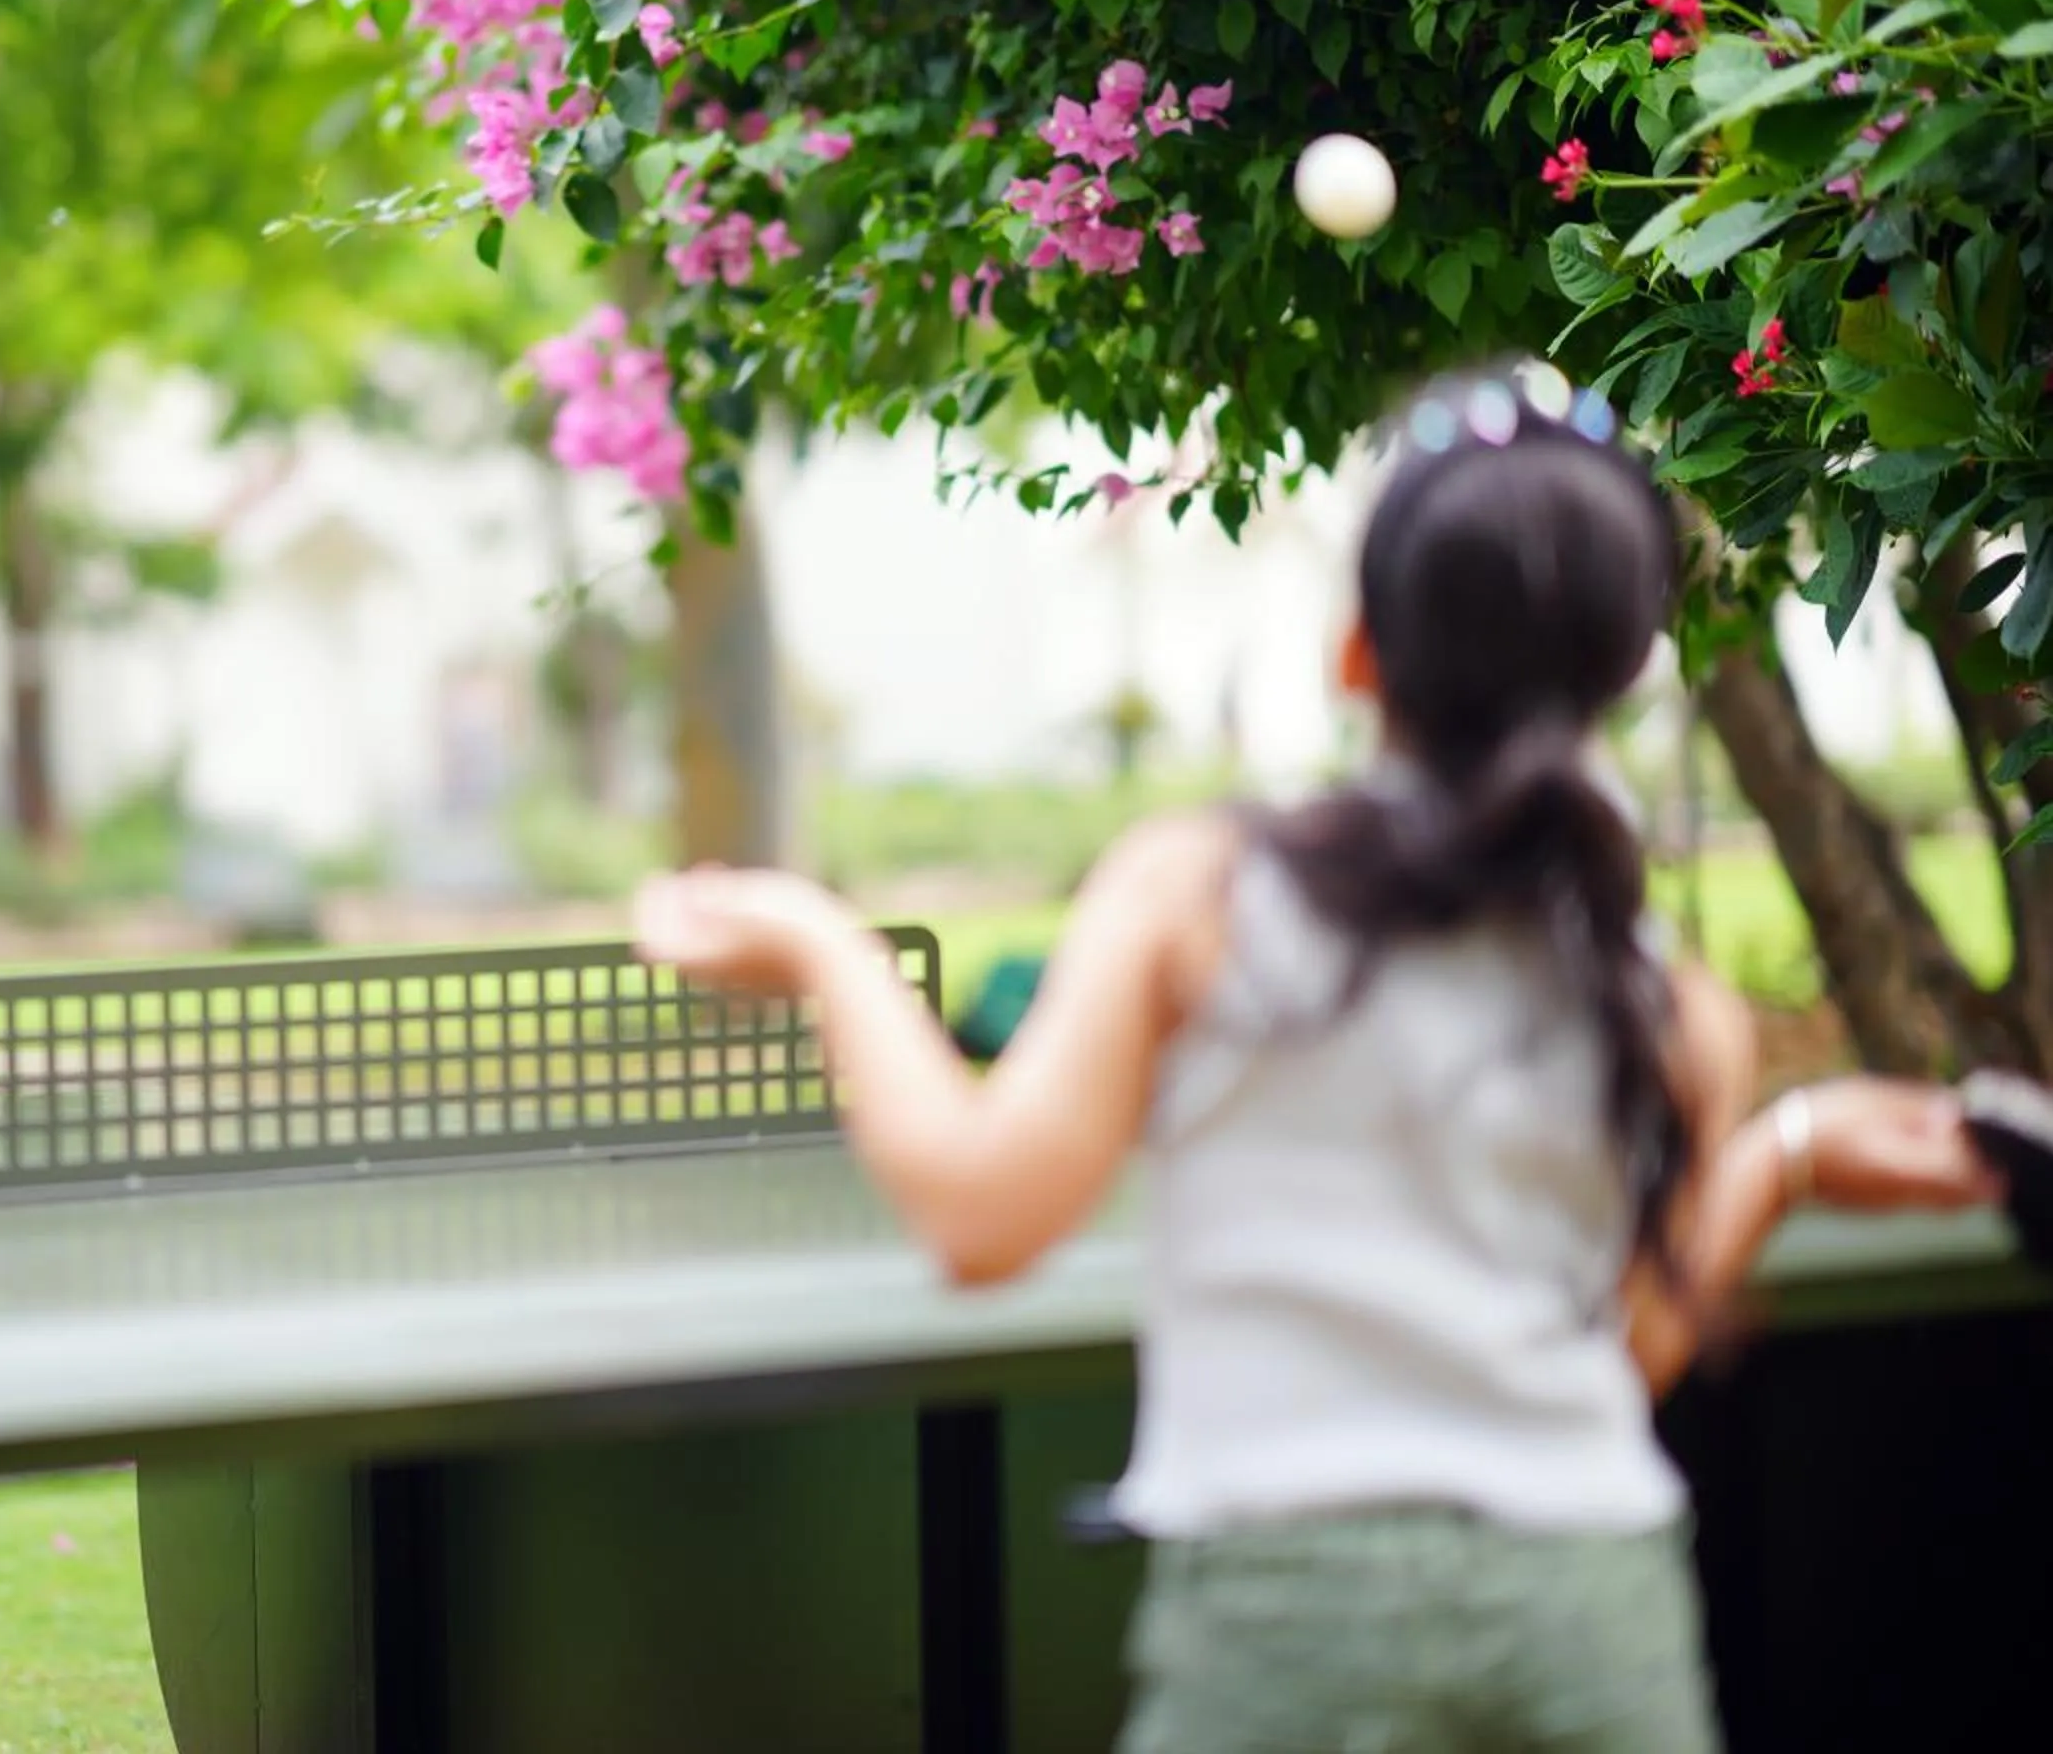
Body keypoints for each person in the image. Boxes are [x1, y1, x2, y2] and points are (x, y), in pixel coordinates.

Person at [631, 356, 2003, 1752]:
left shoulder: (1201, 896)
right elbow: (1629, 1349)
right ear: (1628, 667)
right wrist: (1787, 1153)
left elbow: (984, 1219)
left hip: (1287, 1623)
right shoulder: (1673, 1007)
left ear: (1358, 652)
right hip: (1593, 1614)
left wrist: (823, 949)